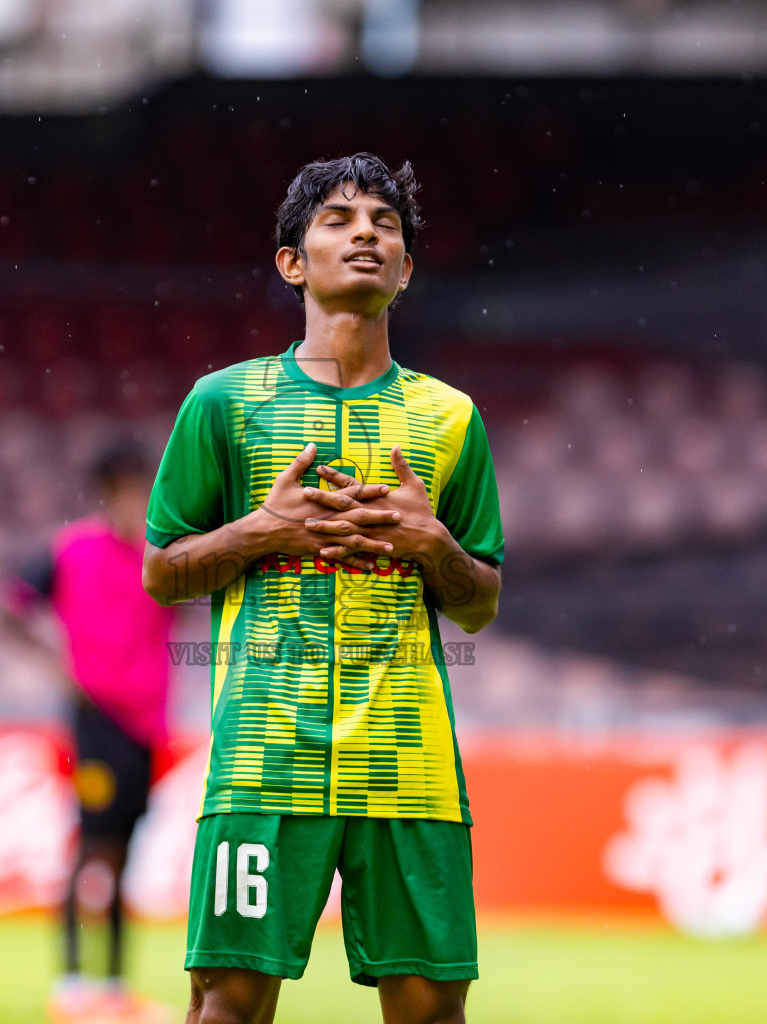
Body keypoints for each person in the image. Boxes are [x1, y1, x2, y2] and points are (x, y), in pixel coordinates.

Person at [142, 154, 504, 1024]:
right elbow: (160, 571)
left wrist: (431, 546)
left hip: (407, 765)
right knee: (227, 1007)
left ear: (407, 269)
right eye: (339, 220)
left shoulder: (451, 418)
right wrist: (263, 531)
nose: (367, 234)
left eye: (386, 224)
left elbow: (481, 601)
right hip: (265, 758)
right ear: (292, 262)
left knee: (431, 1012)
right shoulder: (226, 404)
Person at [0, 440, 174, 1024]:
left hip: (147, 721)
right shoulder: (73, 550)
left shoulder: (163, 555)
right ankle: (72, 986)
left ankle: (116, 989)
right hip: (97, 717)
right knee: (91, 848)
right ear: (107, 494)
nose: (139, 500)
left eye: (144, 489)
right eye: (129, 490)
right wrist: (59, 667)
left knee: (124, 855)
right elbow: (10, 607)